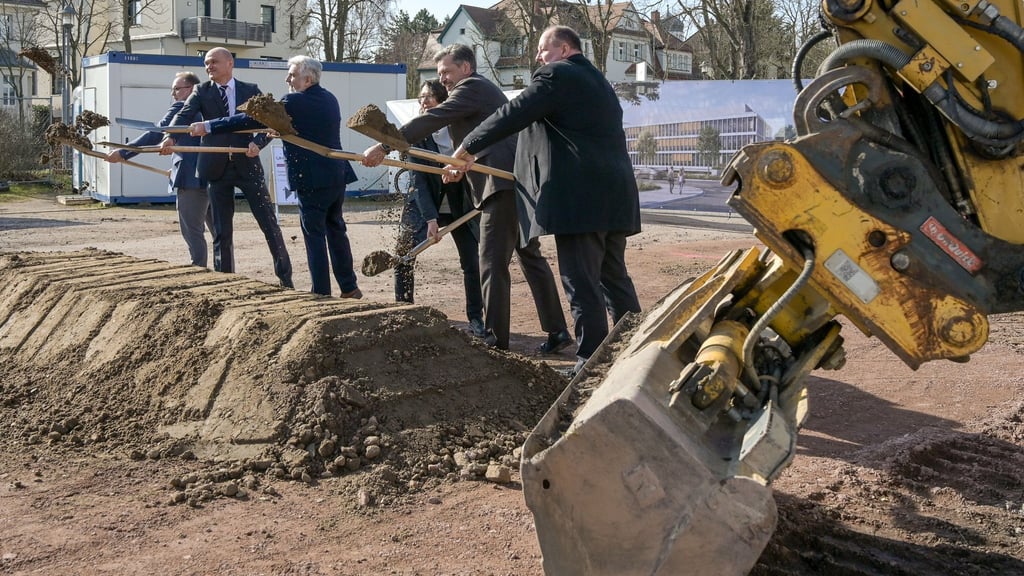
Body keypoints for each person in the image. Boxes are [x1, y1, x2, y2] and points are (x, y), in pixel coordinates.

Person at [453, 25, 642, 377]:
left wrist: (467, 147)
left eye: (543, 49)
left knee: (581, 279)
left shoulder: (557, 74)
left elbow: (514, 112)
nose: (538, 57)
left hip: (581, 200)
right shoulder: (599, 83)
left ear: (565, 48)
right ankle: (636, 349)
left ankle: (591, 361)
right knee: (612, 276)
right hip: (614, 196)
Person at [361, 44, 571, 353]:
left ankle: (495, 338)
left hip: (500, 185)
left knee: (490, 261)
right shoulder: (482, 93)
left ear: (466, 68)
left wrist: (385, 145)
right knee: (529, 256)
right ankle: (557, 330)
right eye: (440, 73)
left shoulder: (471, 88)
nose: (443, 78)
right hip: (516, 180)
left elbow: (433, 118)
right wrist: (460, 167)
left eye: (447, 71)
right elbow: (486, 137)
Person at [190, 56, 362, 298]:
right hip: (337, 174)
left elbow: (250, 118)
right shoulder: (330, 98)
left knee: (314, 236)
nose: (287, 79)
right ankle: (349, 287)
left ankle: (321, 292)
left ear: (307, 79)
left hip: (312, 179)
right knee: (336, 230)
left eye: (291, 75)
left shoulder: (292, 101)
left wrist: (208, 126)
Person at [161, 47, 293, 288]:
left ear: (230, 63)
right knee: (221, 232)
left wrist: (259, 142)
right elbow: (183, 117)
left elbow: (270, 121)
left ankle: (285, 279)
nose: (208, 67)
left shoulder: (250, 90)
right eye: (206, 63)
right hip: (215, 168)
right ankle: (226, 283)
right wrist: (171, 137)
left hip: (247, 165)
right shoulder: (201, 91)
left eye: (213, 62)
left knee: (269, 225)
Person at [394, 79, 485, 335]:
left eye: (429, 97)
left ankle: (476, 318)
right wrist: (430, 219)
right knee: (404, 255)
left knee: (471, 262)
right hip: (424, 203)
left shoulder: (461, 131)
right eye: (421, 98)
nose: (423, 103)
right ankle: (404, 312)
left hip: (460, 204)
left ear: (445, 104)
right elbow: (418, 181)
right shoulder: (417, 135)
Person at [105, 71, 216, 268]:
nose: (173, 94)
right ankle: (225, 271)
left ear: (190, 89)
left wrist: (123, 153)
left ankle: (198, 271)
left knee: (192, 231)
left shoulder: (182, 108)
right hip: (215, 178)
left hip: (190, 180)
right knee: (220, 232)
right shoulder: (212, 109)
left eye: (177, 89)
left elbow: (156, 134)